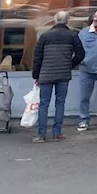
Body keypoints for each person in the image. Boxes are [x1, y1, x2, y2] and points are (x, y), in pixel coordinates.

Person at [32, 10, 85, 143]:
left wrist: (36, 75)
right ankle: (57, 133)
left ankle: (41, 134)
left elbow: (37, 57)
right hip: (63, 74)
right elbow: (80, 54)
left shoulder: (45, 36)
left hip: (46, 74)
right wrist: (69, 65)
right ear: (68, 21)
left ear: (55, 20)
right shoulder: (72, 36)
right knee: (60, 103)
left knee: (44, 104)